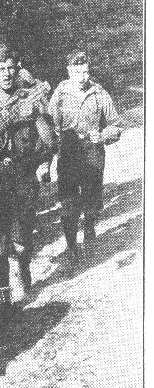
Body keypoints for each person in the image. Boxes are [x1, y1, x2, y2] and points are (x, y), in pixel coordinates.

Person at [0, 46, 57, 310]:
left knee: (21, 243)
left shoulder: (31, 101)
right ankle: (3, 297)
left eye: (11, 67)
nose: (7, 73)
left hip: (23, 176)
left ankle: (22, 265)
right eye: (1, 69)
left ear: (17, 68)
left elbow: (48, 140)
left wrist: (44, 164)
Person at [48, 51, 121, 258]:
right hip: (68, 153)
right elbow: (49, 124)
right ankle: (71, 245)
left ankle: (89, 229)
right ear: (69, 72)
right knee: (68, 201)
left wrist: (104, 135)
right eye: (78, 72)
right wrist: (48, 155)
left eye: (86, 72)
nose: (83, 77)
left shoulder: (99, 93)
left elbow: (116, 125)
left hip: (92, 152)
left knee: (91, 199)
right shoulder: (60, 94)